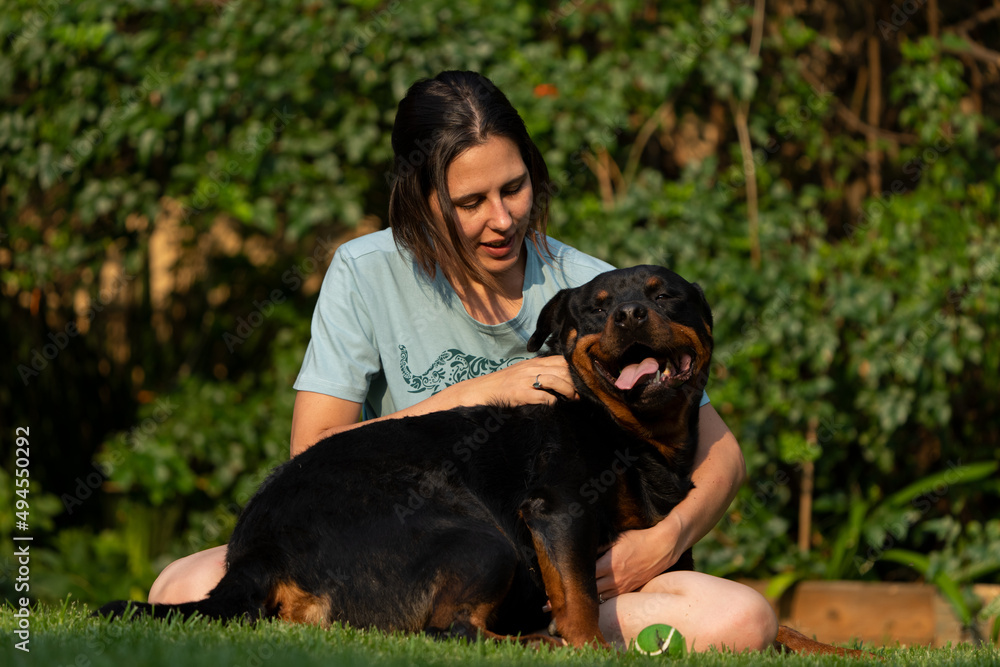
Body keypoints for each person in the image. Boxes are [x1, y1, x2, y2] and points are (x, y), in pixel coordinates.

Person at [148, 70, 777, 652]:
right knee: (181, 584)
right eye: (469, 202)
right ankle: (489, 625)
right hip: (395, 537)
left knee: (741, 618)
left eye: (514, 188)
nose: (501, 219)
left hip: (551, 565)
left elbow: (721, 451)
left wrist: (664, 542)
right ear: (420, 199)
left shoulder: (594, 293)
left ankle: (503, 625)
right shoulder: (365, 272)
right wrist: (481, 391)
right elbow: (312, 448)